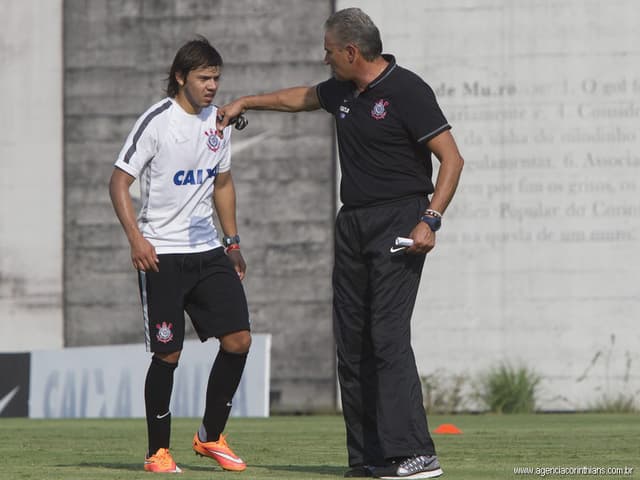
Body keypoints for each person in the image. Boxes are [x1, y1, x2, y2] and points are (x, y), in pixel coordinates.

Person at [216, 8, 464, 480]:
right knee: (351, 343)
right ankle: (370, 457)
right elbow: (300, 98)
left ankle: (416, 453)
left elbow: (452, 160)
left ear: (352, 51)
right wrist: (246, 102)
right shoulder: (343, 91)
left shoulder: (408, 90)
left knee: (386, 337)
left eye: (329, 51)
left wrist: (430, 219)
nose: (324, 58)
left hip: (398, 220)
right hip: (351, 224)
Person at [109, 36, 251, 474]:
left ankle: (210, 437)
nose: (212, 86)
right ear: (180, 77)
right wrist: (137, 238)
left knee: (239, 340)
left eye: (216, 78)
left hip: (208, 250)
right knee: (168, 355)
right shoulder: (157, 120)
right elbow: (118, 182)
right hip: (162, 256)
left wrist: (232, 242)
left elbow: (222, 183)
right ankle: (158, 452)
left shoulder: (219, 122)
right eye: (204, 78)